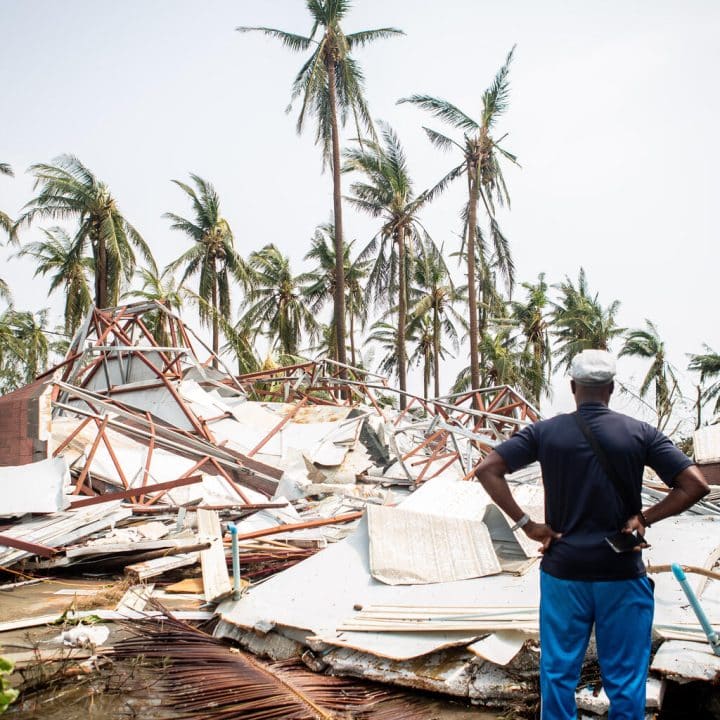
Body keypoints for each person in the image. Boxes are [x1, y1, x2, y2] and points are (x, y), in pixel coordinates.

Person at [474, 349, 709, 720]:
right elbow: (694, 484)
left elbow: (487, 468)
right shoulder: (640, 432)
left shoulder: (545, 432)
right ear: (611, 389)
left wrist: (527, 525)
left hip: (563, 572)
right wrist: (645, 518)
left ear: (572, 387)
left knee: (558, 674)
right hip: (620, 573)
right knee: (626, 679)